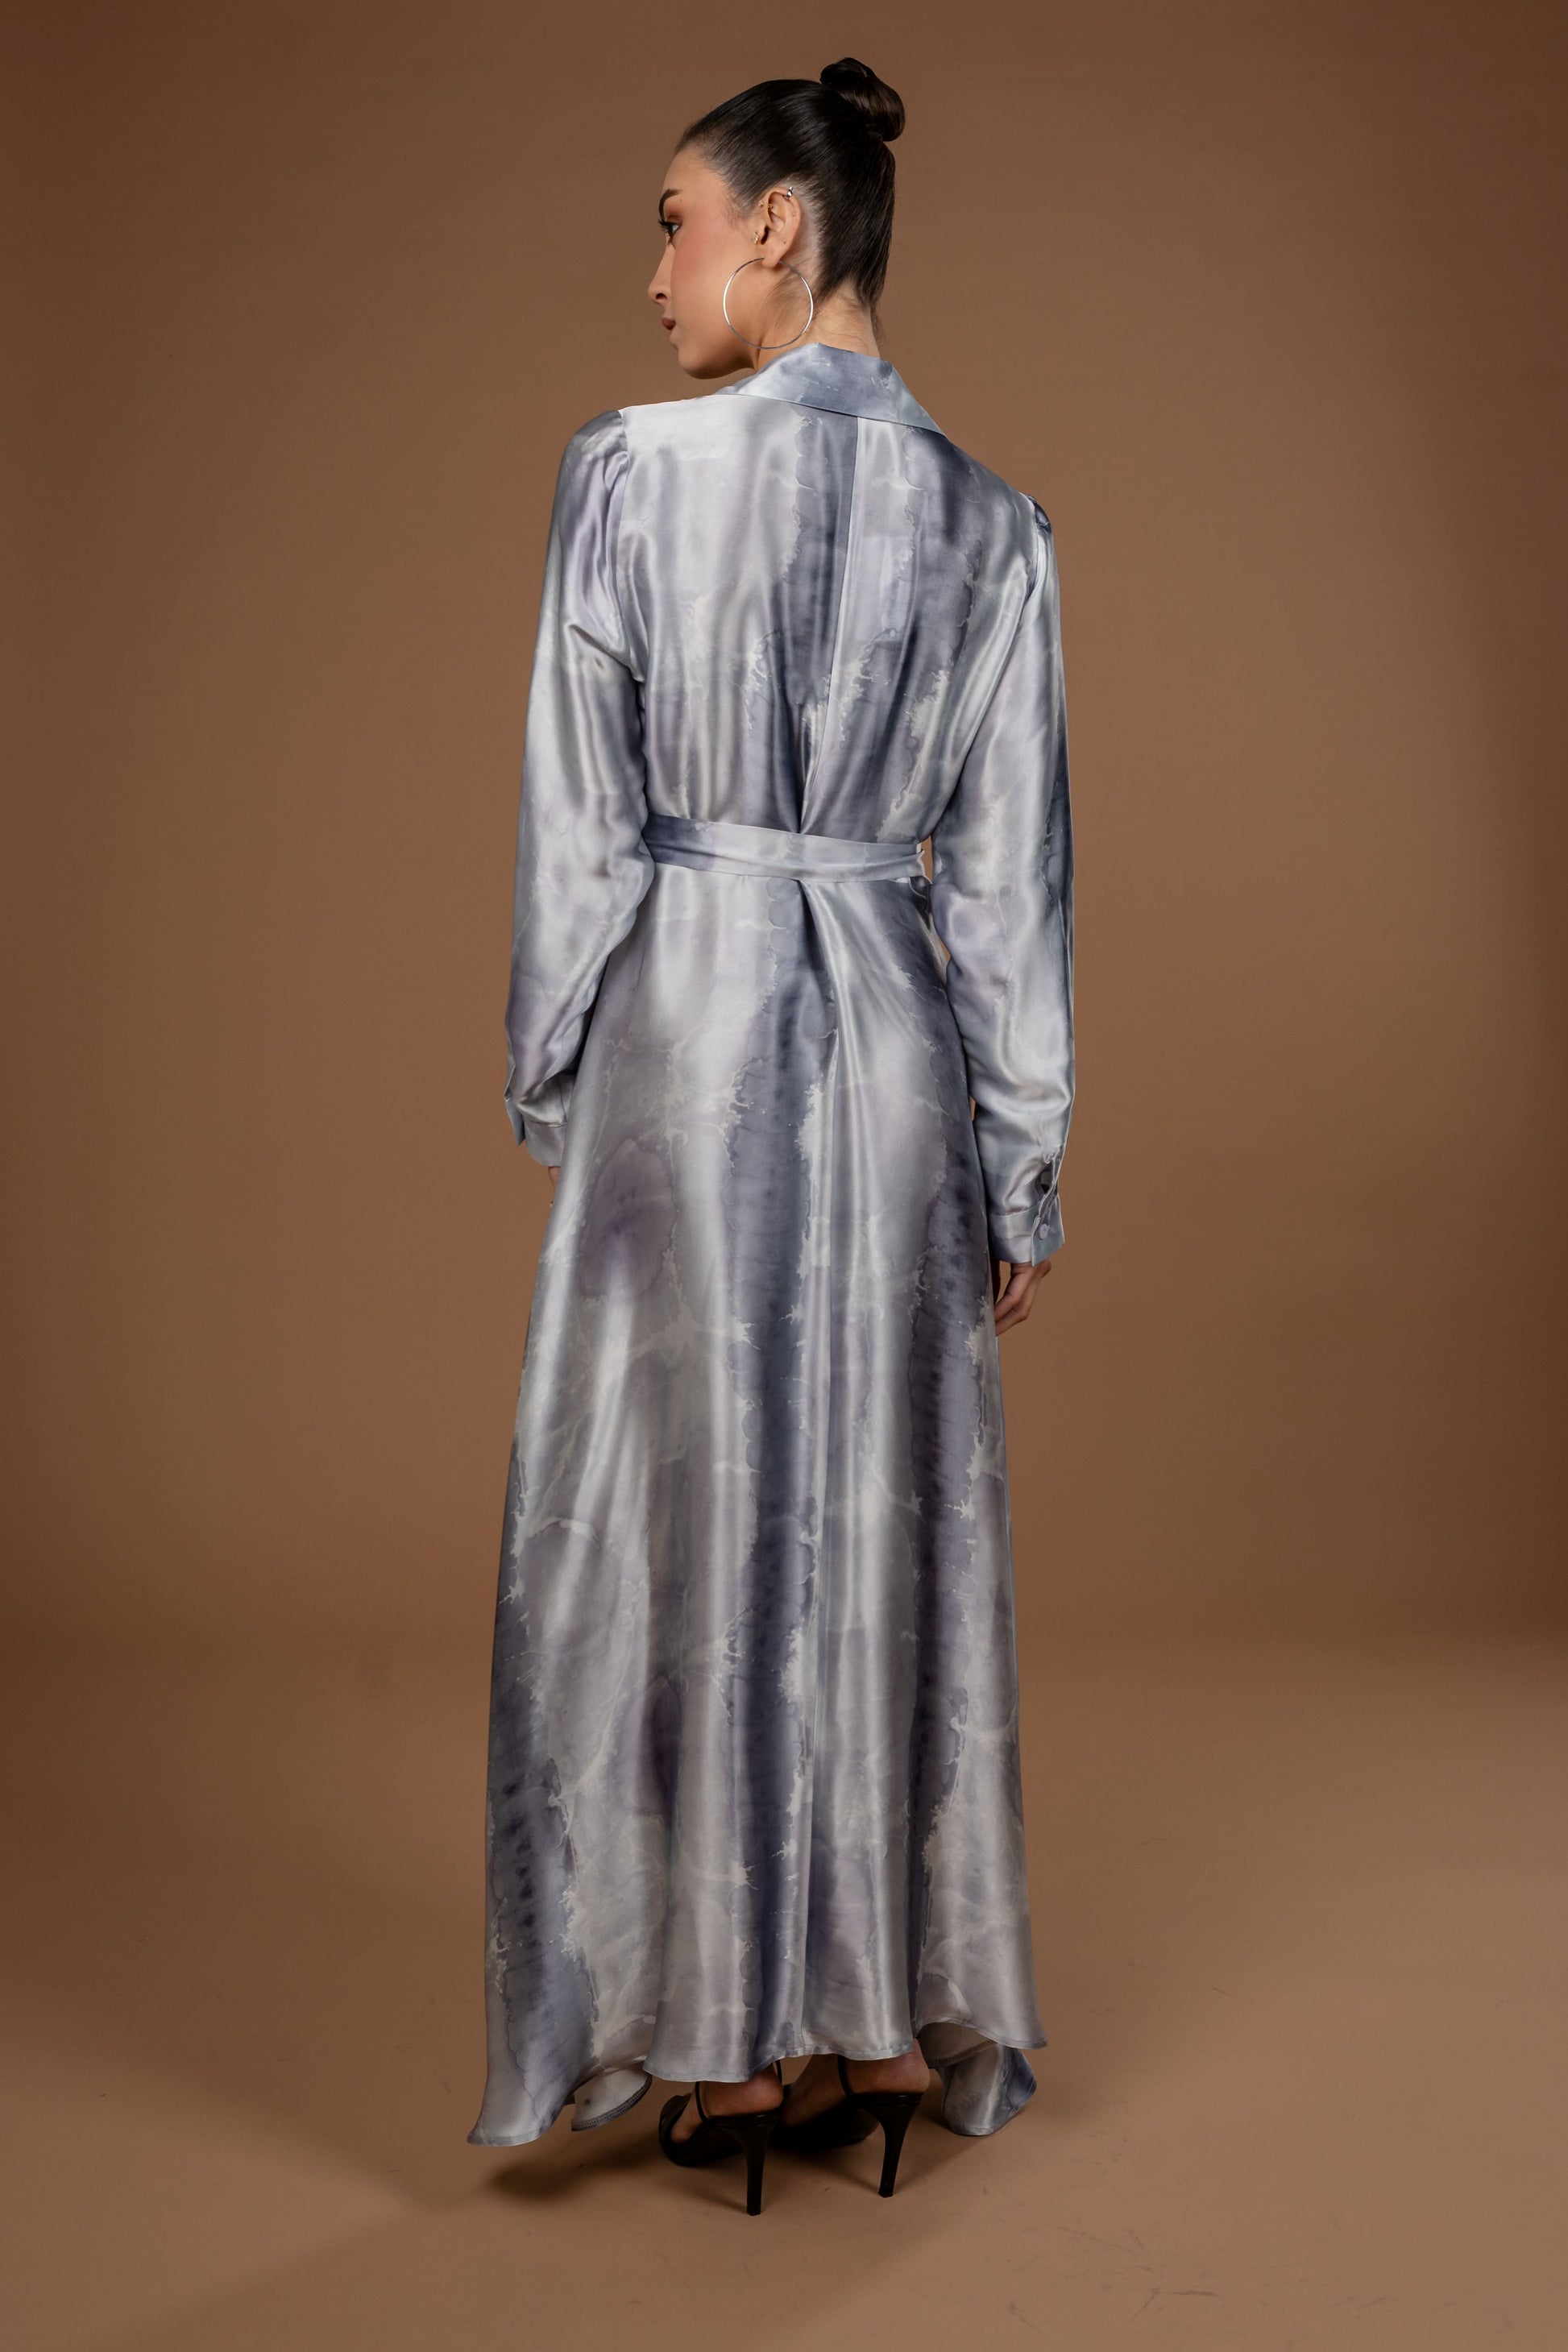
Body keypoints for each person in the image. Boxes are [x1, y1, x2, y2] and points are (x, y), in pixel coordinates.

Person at [468, 59, 1075, 2217]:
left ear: (780, 228)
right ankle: (883, 2028)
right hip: (898, 1040)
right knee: (882, 1518)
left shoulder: (626, 475)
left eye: (676, 222)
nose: (656, 276)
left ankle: (721, 2049)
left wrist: (560, 1070)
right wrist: (1018, 1157)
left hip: (696, 1027)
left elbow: (578, 823)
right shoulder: (995, 525)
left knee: (684, 1524)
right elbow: (1008, 881)